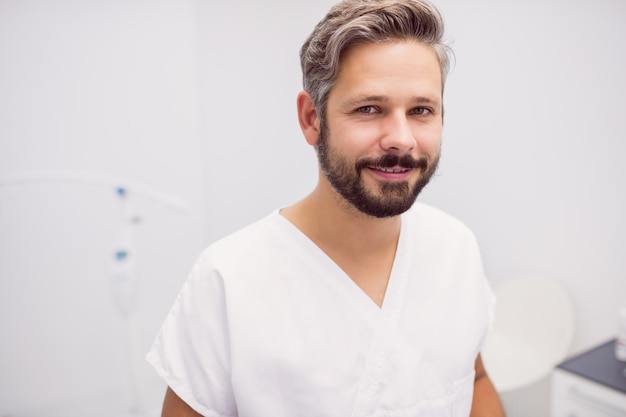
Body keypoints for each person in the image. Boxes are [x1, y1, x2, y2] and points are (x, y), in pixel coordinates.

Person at [147, 0, 505, 415]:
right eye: (369, 109)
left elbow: (474, 380)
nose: (402, 139)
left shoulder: (455, 247)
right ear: (311, 118)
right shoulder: (227, 280)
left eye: (421, 110)